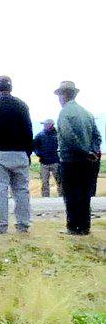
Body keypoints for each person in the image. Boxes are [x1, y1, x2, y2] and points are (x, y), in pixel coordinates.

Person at [0, 75, 33, 234]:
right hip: (20, 153)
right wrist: (27, 152)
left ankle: (0, 226)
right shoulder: (22, 106)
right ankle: (23, 224)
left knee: (0, 190)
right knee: (22, 190)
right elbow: (29, 132)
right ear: (11, 88)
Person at [54, 81, 101, 236]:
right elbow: (97, 136)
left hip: (70, 160)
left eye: (59, 95)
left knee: (71, 195)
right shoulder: (87, 113)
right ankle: (85, 226)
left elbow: (69, 137)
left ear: (64, 95)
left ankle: (74, 227)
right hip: (87, 162)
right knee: (84, 194)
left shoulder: (64, 113)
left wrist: (84, 152)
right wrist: (92, 152)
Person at [34, 119, 61, 199]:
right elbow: (35, 147)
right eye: (44, 124)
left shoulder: (58, 135)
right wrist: (39, 154)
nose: (44, 125)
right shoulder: (39, 136)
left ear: (51, 125)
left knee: (59, 181)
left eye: (46, 124)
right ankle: (45, 199)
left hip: (55, 162)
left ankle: (62, 197)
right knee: (44, 182)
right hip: (44, 162)